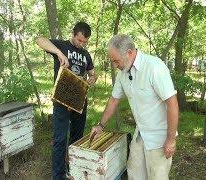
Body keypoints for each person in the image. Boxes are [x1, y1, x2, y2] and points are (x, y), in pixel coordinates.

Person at [90, 34, 179, 180]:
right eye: (112, 61)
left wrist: (170, 139)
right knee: (134, 172)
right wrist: (101, 125)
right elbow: (114, 100)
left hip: (159, 137)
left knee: (157, 176)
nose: (114, 65)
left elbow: (172, 103)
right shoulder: (122, 73)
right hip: (140, 133)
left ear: (129, 53)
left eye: (116, 61)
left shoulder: (154, 67)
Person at [36, 21, 97, 180]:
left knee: (77, 139)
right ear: (73, 34)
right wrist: (59, 53)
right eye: (79, 40)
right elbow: (39, 39)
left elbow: (92, 73)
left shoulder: (86, 54)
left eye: (85, 41)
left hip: (79, 102)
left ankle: (73, 170)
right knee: (60, 140)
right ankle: (58, 176)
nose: (82, 44)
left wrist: (92, 78)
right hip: (62, 101)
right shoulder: (61, 46)